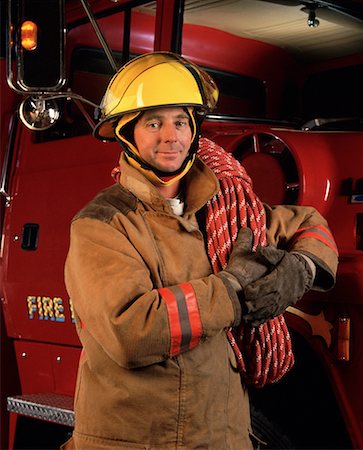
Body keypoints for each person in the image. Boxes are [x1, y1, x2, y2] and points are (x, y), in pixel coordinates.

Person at [63, 52, 338, 450]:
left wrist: (304, 267)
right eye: (153, 123)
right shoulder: (103, 223)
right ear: (126, 134)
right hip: (138, 441)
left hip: (221, 437)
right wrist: (233, 291)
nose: (170, 136)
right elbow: (131, 331)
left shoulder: (224, 209)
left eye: (180, 121)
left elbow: (310, 223)